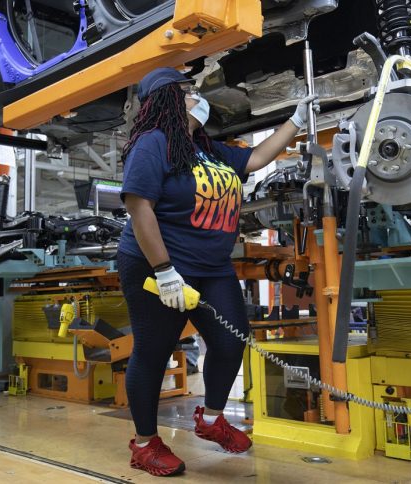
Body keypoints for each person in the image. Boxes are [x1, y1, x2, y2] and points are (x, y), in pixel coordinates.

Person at [118, 67, 318, 476]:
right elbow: (139, 208)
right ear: (171, 98)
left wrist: (296, 120)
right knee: (153, 354)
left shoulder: (210, 149)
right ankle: (144, 444)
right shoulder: (153, 144)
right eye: (190, 91)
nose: (199, 98)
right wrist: (164, 270)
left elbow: (259, 158)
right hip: (157, 264)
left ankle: (211, 419)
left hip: (211, 267)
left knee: (230, 344)